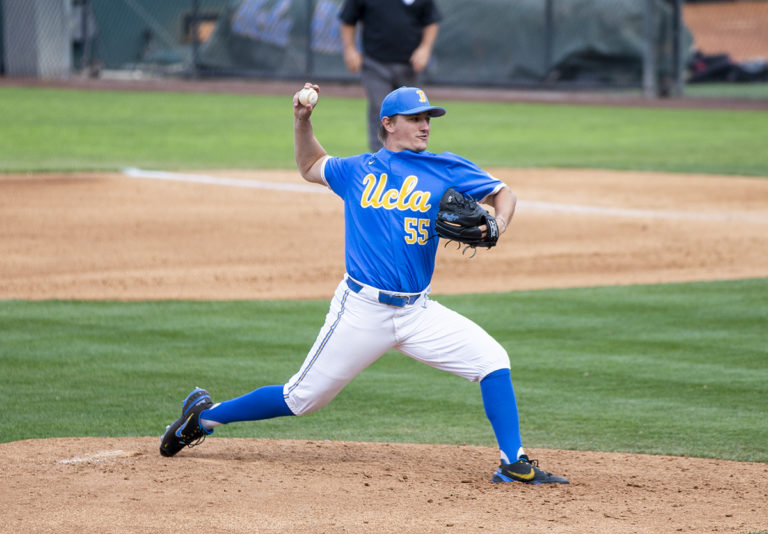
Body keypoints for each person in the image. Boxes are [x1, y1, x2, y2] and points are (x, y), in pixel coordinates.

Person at [159, 84, 569, 485]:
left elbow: (502, 193)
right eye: (415, 118)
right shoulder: (357, 170)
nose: (425, 125)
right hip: (361, 312)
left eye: (429, 118)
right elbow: (309, 166)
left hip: (417, 312)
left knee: (492, 362)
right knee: (300, 399)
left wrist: (498, 222)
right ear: (388, 123)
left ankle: (512, 462)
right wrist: (302, 123)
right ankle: (204, 417)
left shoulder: (446, 167)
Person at [338, 0, 441, 152]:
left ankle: (412, 155)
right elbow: (348, 19)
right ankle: (380, 157)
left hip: (410, 64)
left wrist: (425, 49)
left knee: (413, 110)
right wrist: (349, 49)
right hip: (375, 63)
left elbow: (431, 20)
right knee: (380, 109)